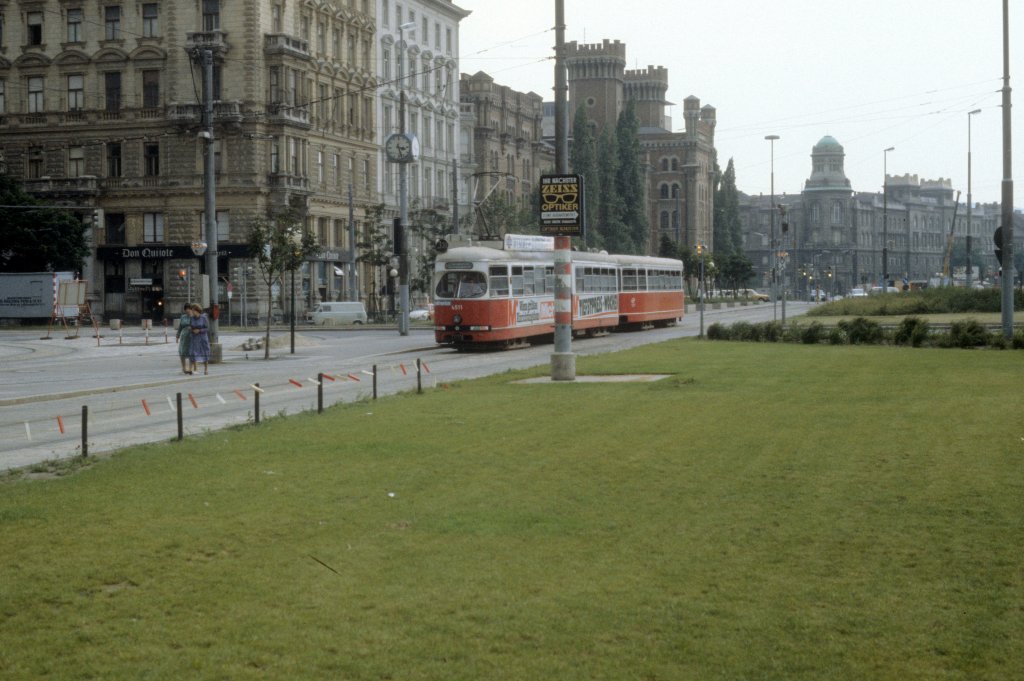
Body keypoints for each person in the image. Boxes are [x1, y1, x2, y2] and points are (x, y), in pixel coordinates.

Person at [188, 303, 211, 375]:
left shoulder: (203, 318)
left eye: (192, 310)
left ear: (196, 310)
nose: (191, 312)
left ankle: (206, 369)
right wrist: (191, 329)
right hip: (195, 338)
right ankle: (194, 369)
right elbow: (190, 327)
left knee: (205, 352)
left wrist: (200, 330)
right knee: (193, 353)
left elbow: (207, 328)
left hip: (203, 338)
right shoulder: (191, 318)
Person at [176, 304, 193, 375]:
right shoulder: (183, 317)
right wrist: (177, 336)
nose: (187, 310)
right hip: (183, 336)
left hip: (191, 336)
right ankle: (183, 368)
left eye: (189, 309)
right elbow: (180, 327)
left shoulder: (193, 317)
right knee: (181, 351)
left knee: (191, 352)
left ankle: (190, 368)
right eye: (186, 309)